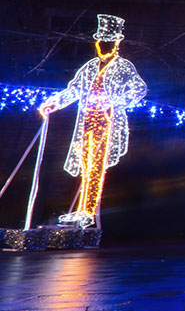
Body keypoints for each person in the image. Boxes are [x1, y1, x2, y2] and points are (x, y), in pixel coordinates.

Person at [38, 14, 147, 228]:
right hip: (86, 122)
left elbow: (139, 88)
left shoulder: (123, 67)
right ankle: (81, 209)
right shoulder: (89, 67)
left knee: (96, 168)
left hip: (107, 123)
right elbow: (74, 90)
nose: (103, 46)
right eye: (100, 41)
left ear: (116, 43)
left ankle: (87, 211)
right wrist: (54, 103)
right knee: (85, 167)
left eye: (108, 42)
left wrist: (117, 102)